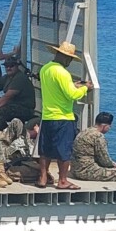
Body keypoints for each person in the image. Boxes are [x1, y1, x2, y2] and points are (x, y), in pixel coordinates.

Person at [36, 42, 93, 189]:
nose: (69, 62)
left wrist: (72, 84)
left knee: (45, 150)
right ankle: (62, 181)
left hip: (48, 116)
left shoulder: (45, 68)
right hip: (63, 117)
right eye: (69, 59)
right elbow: (72, 95)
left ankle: (42, 178)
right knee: (64, 151)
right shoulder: (62, 72)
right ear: (65, 57)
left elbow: (57, 88)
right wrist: (85, 88)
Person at [71, 111, 116, 184]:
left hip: (75, 169)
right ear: (105, 126)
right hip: (86, 172)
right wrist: (115, 165)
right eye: (109, 126)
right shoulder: (98, 136)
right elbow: (104, 160)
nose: (109, 129)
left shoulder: (85, 131)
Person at [0, 56, 38, 129]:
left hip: (25, 109)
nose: (8, 68)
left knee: (1, 111)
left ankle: (1, 132)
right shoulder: (6, 77)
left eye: (11, 66)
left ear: (17, 66)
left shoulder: (20, 78)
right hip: (13, 105)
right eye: (6, 66)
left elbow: (7, 96)